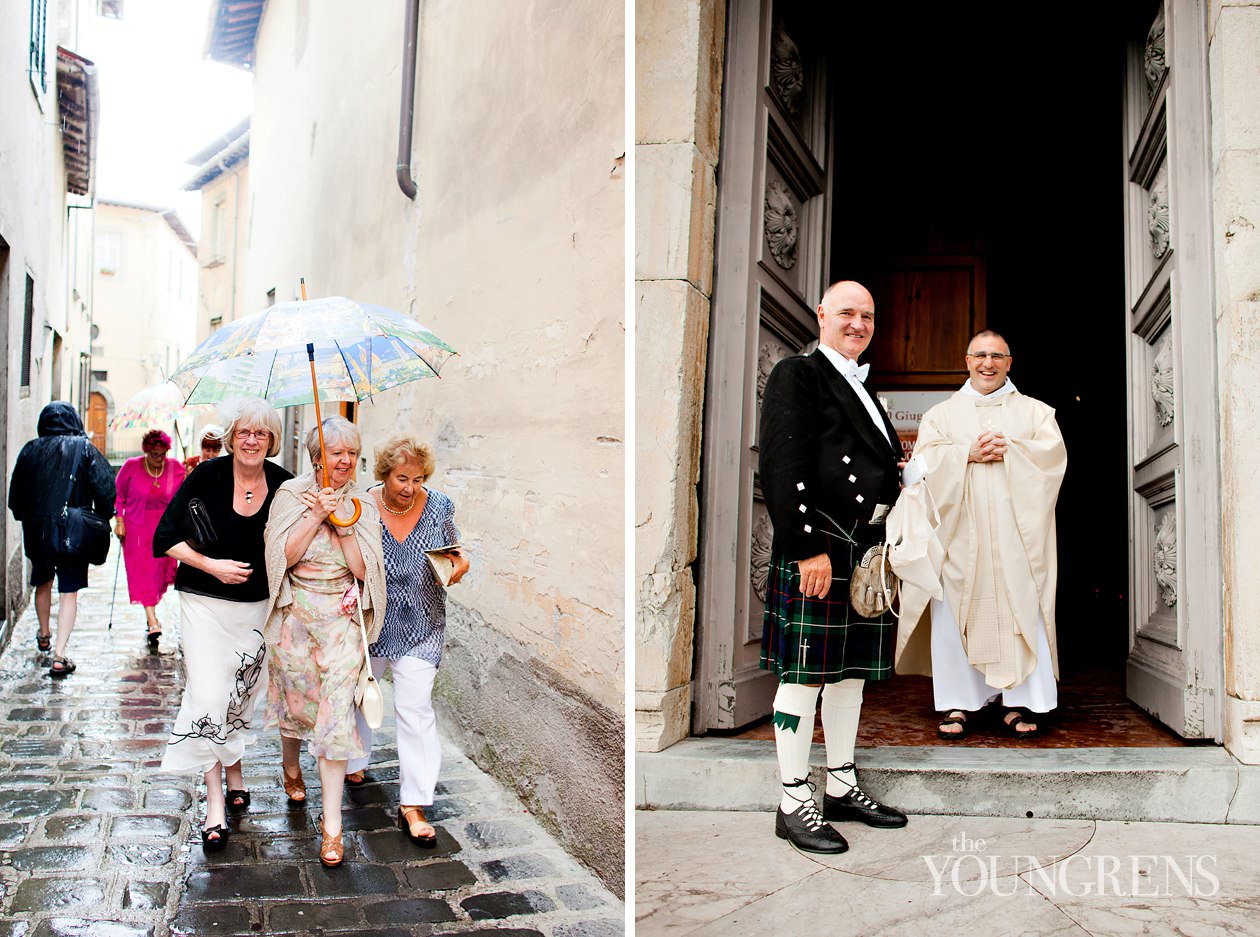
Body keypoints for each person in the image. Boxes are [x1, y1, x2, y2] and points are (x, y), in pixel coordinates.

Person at [758, 279, 909, 855]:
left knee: (848, 678)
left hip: (864, 552)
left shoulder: (863, 386)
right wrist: (805, 549)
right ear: (822, 315)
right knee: (802, 677)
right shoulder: (799, 374)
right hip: (823, 547)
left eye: (867, 315)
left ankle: (841, 785)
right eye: (847, 312)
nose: (858, 324)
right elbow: (781, 463)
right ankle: (794, 802)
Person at [894, 330, 1067, 739]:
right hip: (959, 538)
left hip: (1017, 542)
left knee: (1021, 612)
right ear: (967, 361)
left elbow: (1052, 462)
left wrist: (1013, 450)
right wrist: (963, 454)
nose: (987, 363)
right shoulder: (941, 415)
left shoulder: (1036, 412)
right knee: (955, 615)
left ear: (1010, 362)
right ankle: (959, 702)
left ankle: (1018, 701)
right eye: (980, 355)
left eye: (996, 356)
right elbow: (919, 470)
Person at [153, 397, 293, 851]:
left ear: (271, 440)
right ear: (232, 437)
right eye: (243, 432)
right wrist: (211, 566)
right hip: (203, 603)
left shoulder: (285, 485)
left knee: (241, 697)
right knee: (208, 695)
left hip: (256, 609)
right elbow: (165, 538)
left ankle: (235, 772)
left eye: (261, 433)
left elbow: (299, 547)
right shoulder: (207, 476)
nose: (251, 440)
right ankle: (214, 799)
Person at [262, 417, 387, 867]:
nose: (346, 461)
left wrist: (345, 523)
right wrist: (317, 514)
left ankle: (332, 826)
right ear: (318, 457)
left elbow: (364, 570)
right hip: (295, 621)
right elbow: (280, 557)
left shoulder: (363, 504)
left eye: (352, 453)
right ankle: (291, 767)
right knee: (296, 707)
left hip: (340, 624)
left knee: (335, 719)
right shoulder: (291, 496)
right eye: (337, 453)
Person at [344, 435, 469, 844]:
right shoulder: (362, 506)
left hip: (423, 619)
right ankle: (355, 760)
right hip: (374, 617)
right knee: (363, 693)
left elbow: (457, 554)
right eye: (402, 478)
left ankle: (414, 802)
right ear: (384, 474)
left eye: (418, 479)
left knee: (415, 708)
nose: (410, 487)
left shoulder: (440, 506)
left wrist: (458, 565)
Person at [7, 402, 116, 676]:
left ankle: (43, 633)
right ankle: (59, 653)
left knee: (42, 582)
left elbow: (15, 497)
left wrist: (28, 517)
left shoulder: (30, 450)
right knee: (69, 592)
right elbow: (105, 488)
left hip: (38, 530)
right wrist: (101, 516)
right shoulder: (85, 448)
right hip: (73, 532)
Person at [114, 429, 186, 646]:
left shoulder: (175, 468)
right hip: (137, 529)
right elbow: (118, 496)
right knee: (143, 572)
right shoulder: (131, 467)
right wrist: (119, 521)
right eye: (154, 454)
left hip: (164, 529)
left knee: (160, 572)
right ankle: (152, 619)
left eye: (162, 453)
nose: (158, 458)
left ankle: (151, 609)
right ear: (146, 451)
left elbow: (185, 493)